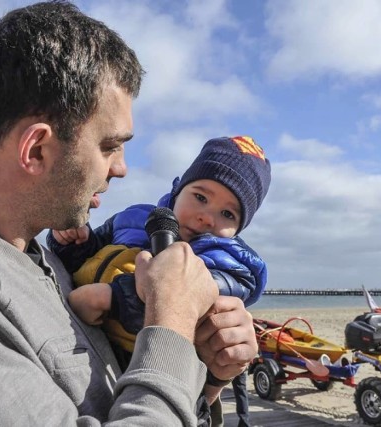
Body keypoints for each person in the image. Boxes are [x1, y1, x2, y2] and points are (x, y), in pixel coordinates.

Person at [0, 2, 257, 425]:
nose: (121, 168)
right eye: (108, 146)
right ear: (37, 149)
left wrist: (211, 376)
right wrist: (170, 318)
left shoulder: (42, 259)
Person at [47, 136, 270, 364]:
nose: (206, 217)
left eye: (227, 214)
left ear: (238, 229)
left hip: (140, 359)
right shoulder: (132, 218)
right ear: (178, 191)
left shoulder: (230, 265)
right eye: (200, 197)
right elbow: (88, 255)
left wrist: (112, 299)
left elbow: (181, 298)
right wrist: (73, 242)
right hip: (77, 333)